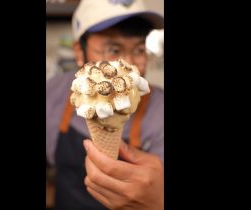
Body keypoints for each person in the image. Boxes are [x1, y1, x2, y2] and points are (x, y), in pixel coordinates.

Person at [46, 0, 164, 209]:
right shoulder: (53, 93)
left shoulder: (160, 110)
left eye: (138, 50)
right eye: (113, 49)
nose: (129, 67)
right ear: (80, 53)